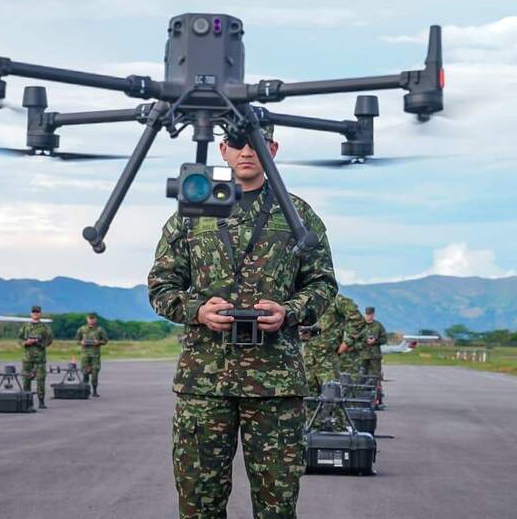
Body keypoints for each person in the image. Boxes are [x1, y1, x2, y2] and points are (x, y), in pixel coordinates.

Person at [148, 124, 337, 518]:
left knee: (277, 506)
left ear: (273, 149)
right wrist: (197, 311)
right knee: (199, 504)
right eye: (237, 143)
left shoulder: (297, 214)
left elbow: (322, 284)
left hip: (276, 383)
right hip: (205, 382)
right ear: (222, 149)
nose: (246, 151)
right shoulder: (193, 211)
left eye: (256, 143)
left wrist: (290, 311)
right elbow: (161, 286)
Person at [302, 293, 366, 397]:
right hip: (306, 359)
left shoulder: (336, 300)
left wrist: (347, 342)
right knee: (308, 401)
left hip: (327, 360)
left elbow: (357, 319)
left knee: (332, 398)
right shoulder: (302, 299)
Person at [18, 305, 53, 409]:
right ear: (30, 314)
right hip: (27, 358)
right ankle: (27, 401)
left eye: (37, 312)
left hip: (40, 358)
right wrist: (25, 342)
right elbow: (19, 339)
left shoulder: (45, 327)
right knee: (26, 380)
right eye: (34, 312)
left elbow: (50, 340)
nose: (35, 314)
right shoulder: (25, 326)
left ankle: (41, 401)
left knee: (41, 380)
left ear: (40, 314)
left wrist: (40, 343)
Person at [361, 306, 388, 406]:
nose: (369, 316)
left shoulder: (378, 325)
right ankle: (361, 399)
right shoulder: (360, 325)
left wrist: (375, 341)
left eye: (370, 314)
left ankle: (377, 400)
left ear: (373, 314)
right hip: (362, 355)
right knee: (361, 377)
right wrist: (365, 340)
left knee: (375, 378)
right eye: (367, 314)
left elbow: (384, 339)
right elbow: (354, 337)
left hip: (374, 356)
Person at [75, 313, 108, 397]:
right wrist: (81, 342)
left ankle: (94, 391)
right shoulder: (82, 329)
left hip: (95, 355)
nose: (91, 320)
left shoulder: (99, 329)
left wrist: (98, 342)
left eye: (93, 319)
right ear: (87, 319)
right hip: (85, 355)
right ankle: (85, 390)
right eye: (90, 319)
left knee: (95, 373)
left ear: (95, 319)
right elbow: (77, 340)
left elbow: (105, 341)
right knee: (85, 373)